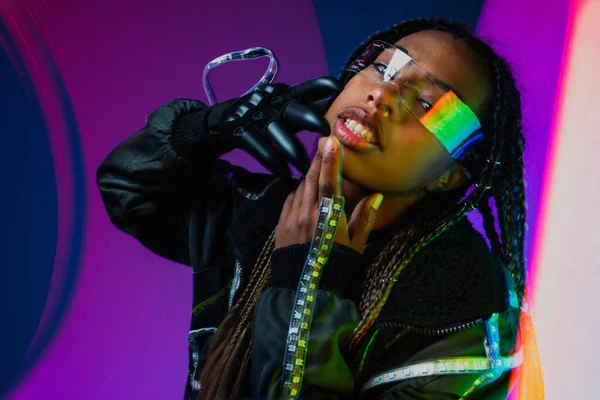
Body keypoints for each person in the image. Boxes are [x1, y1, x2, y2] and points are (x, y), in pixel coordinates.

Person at [97, 17, 539, 399]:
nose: (382, 94)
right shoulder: (260, 209)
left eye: (426, 103)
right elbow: (129, 190)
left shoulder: (469, 315)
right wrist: (204, 129)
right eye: (383, 67)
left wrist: (305, 286)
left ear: (451, 173)